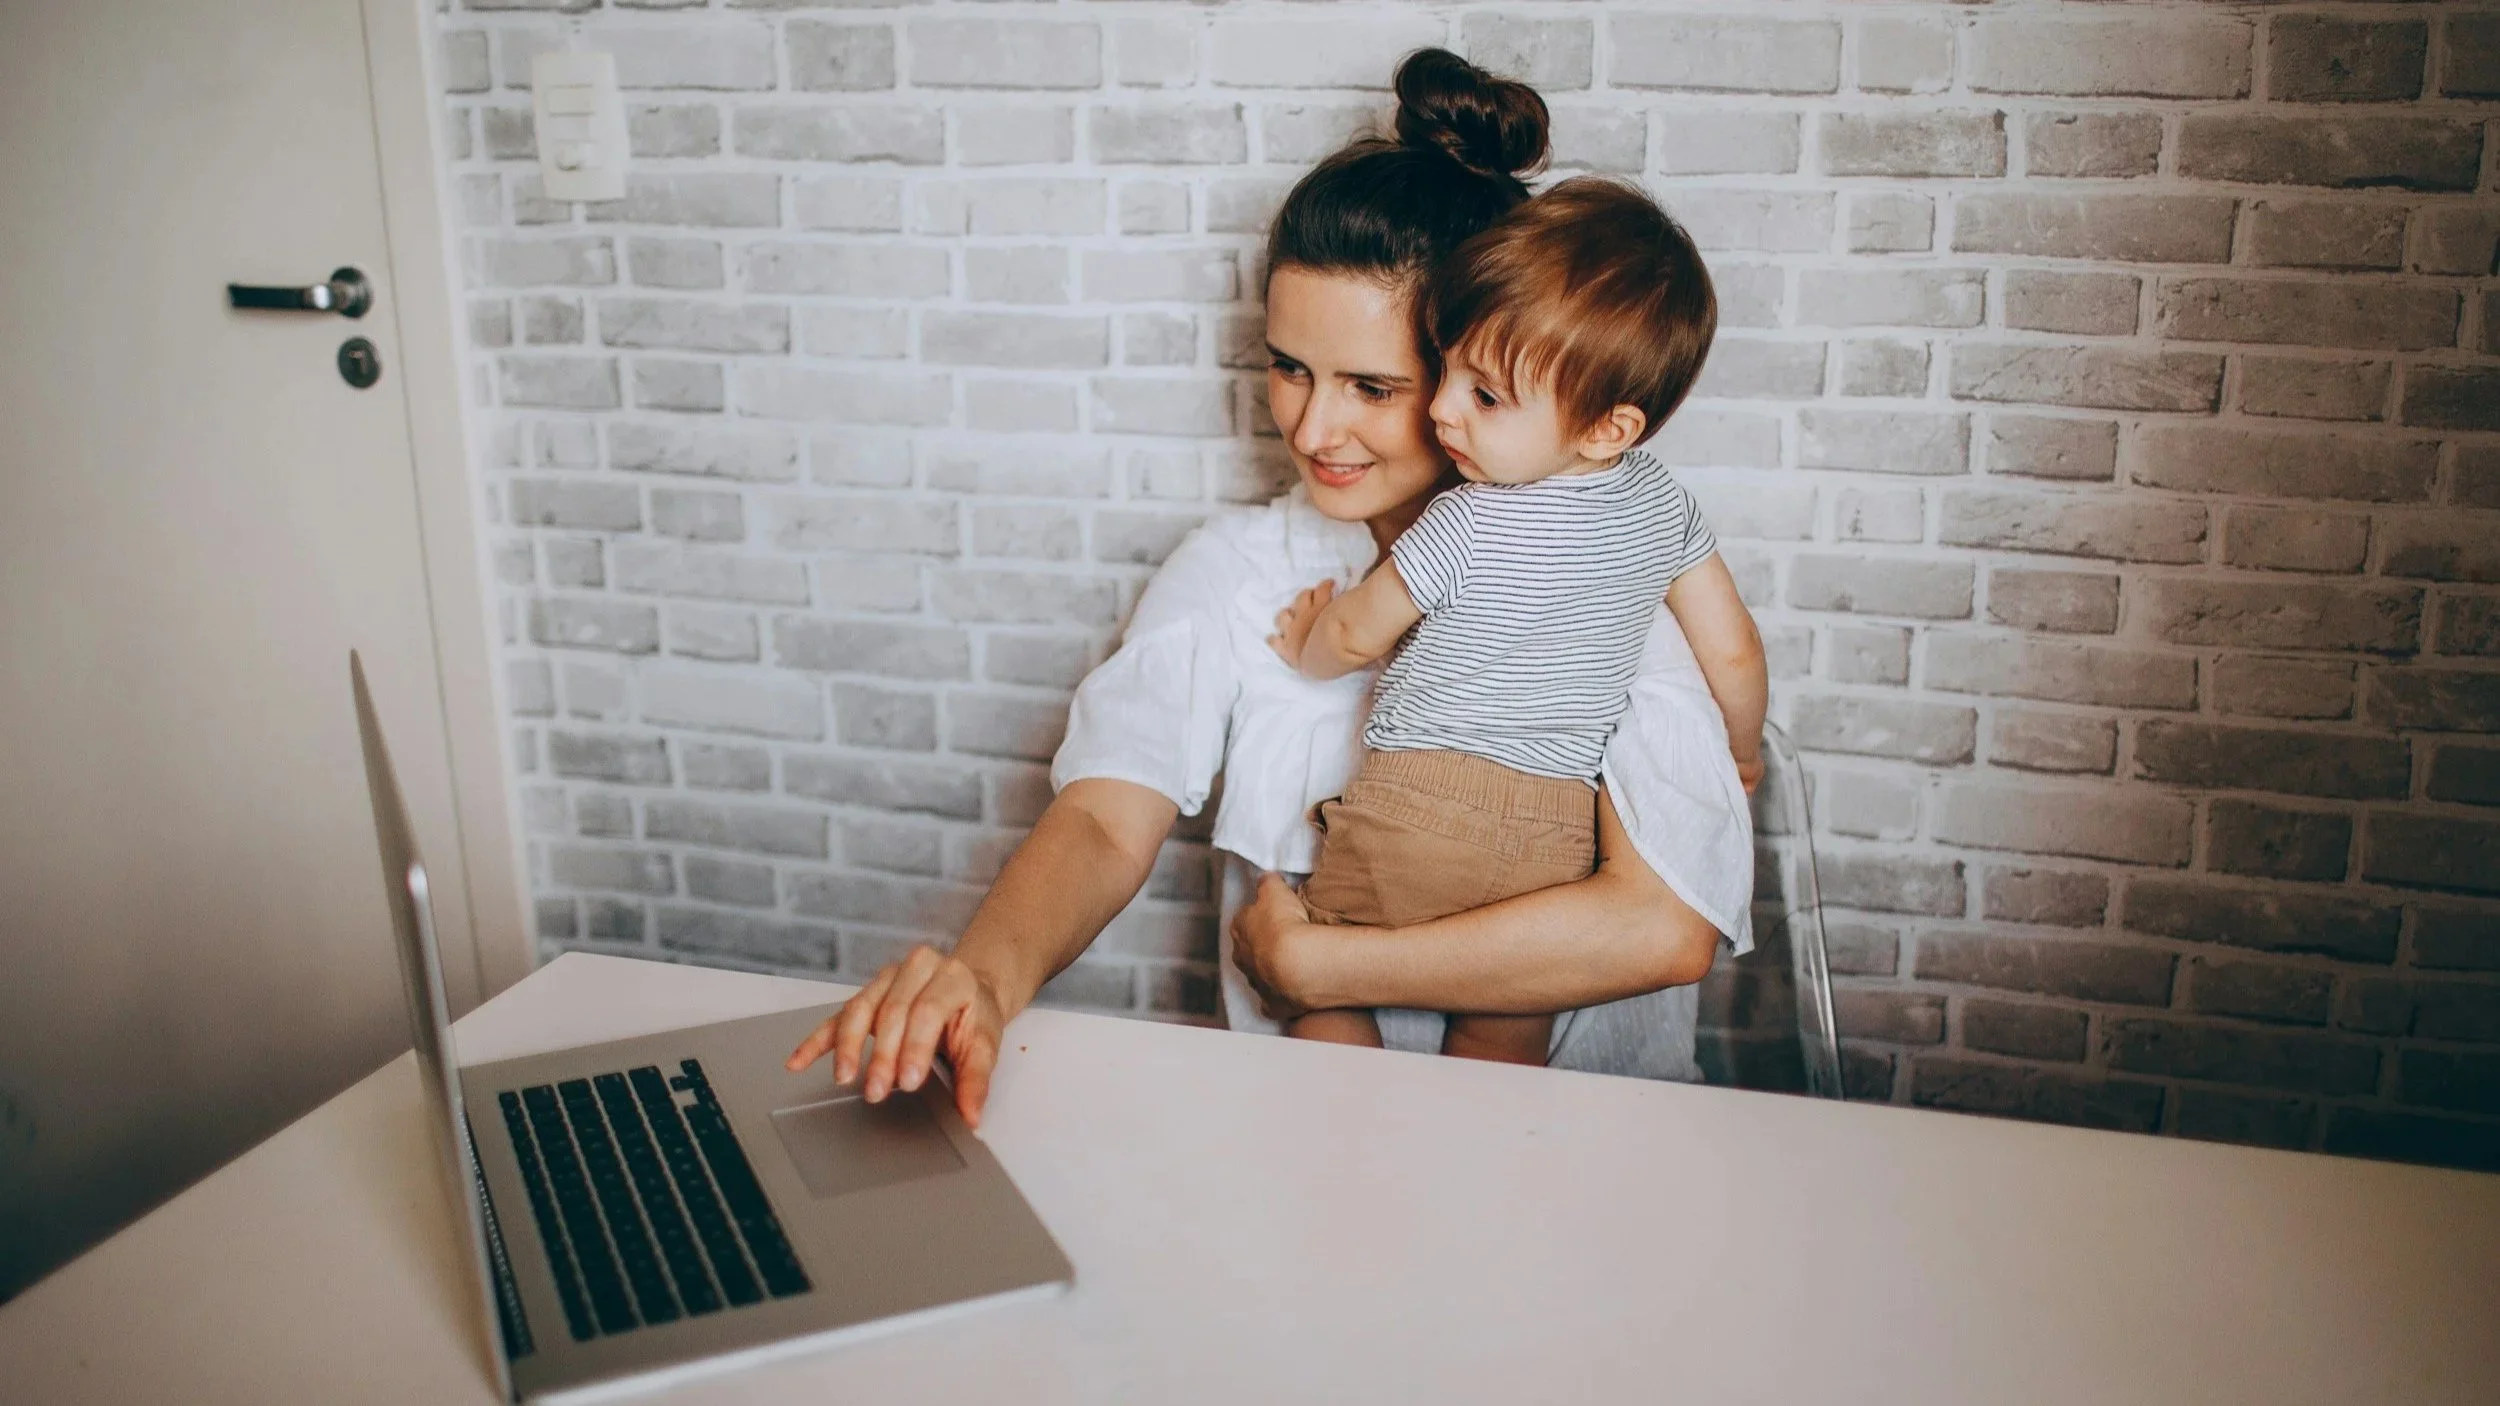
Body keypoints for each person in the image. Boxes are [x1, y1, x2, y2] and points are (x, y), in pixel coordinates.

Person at [785, 49, 1758, 1128]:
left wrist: (1323, 968)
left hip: (1590, 1161)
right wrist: (986, 972)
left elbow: (1662, 927)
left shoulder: (1600, 587)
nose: (1309, 427)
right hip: (1310, 1160)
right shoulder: (1239, 567)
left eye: (1371, 386)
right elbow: (1108, 816)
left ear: (1482, 370)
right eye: (1289, 366)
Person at [1268, 178, 1766, 1065]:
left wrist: (1304, 643)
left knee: (1316, 982)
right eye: (1448, 370)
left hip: (1411, 811)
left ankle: (1338, 1134)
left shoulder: (1462, 520)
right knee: (1506, 1030)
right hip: (1551, 837)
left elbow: (1354, 636)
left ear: (1610, 428)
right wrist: (1741, 748)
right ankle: (1478, 1178)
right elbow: (1729, 648)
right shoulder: (1663, 508)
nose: (1443, 408)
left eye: (1485, 396)